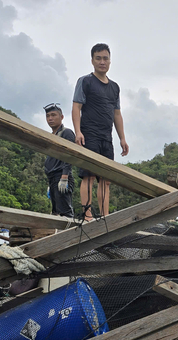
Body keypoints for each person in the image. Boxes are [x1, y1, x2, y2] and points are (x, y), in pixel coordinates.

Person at [72, 43, 129, 221]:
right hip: (89, 134)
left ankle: (105, 216)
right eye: (98, 58)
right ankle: (87, 215)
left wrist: (122, 138)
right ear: (92, 61)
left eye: (105, 58)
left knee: (105, 179)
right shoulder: (86, 81)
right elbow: (76, 107)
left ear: (110, 61)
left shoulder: (115, 87)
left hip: (107, 137)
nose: (102, 62)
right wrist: (78, 132)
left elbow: (117, 113)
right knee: (88, 176)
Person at [43, 103, 75, 218]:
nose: (50, 118)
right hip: (52, 178)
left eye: (53, 115)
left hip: (61, 176)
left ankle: (71, 235)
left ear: (61, 117)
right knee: (55, 212)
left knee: (65, 212)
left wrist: (64, 176)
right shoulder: (51, 136)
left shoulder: (66, 133)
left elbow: (69, 155)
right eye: (47, 116)